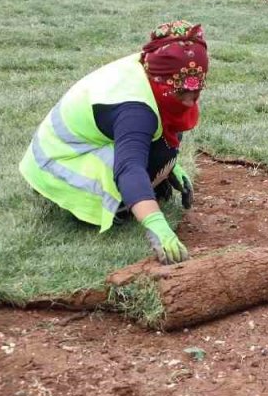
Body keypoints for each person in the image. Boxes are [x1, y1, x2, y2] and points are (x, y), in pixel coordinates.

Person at [18, 21, 207, 264]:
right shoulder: (135, 109)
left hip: (84, 143)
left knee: (162, 150)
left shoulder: (151, 66)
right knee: (147, 165)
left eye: (197, 93)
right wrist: (155, 224)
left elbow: (163, 128)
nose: (190, 102)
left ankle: (141, 192)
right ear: (162, 81)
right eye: (182, 93)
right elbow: (129, 167)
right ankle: (101, 205)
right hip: (59, 162)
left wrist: (170, 166)